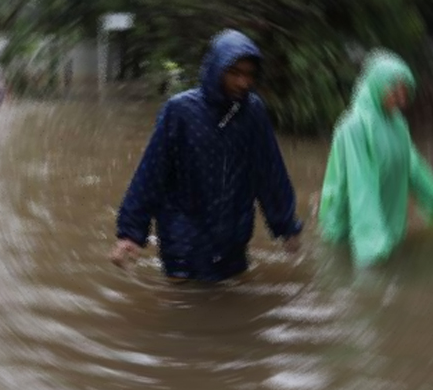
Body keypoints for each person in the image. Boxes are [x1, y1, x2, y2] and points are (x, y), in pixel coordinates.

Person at [110, 29, 303, 282]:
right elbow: (151, 172)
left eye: (248, 75)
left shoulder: (253, 113)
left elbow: (270, 171)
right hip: (183, 239)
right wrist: (131, 234)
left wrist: (286, 226)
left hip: (232, 237)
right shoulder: (180, 112)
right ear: (215, 70)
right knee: (183, 305)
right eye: (234, 73)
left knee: (229, 303)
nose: (242, 83)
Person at [317, 51, 433, 267]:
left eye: (405, 92)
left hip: (382, 219)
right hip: (349, 223)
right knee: (344, 267)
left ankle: (378, 243)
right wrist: (370, 242)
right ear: (376, 85)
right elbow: (361, 184)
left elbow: (412, 168)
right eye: (394, 91)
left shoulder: (397, 124)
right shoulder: (353, 127)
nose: (401, 98)